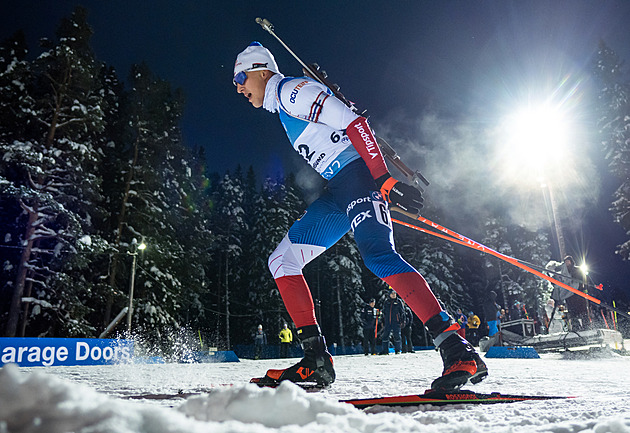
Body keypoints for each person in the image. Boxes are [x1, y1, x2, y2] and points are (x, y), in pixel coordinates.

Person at [233, 42, 487, 390]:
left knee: (378, 256)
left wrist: (383, 178)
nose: (238, 87)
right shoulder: (284, 104)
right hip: (338, 191)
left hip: (358, 178)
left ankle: (457, 349)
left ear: (262, 69)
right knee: (283, 261)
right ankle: (315, 360)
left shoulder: (290, 91)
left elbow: (355, 123)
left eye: (241, 77)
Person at [546, 255, 591, 330]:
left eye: (568, 261)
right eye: (565, 262)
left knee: (583, 311)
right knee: (572, 312)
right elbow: (557, 282)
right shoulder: (562, 273)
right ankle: (576, 327)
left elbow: (585, 280)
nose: (567, 263)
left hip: (579, 294)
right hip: (569, 296)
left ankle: (586, 326)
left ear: (571, 262)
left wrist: (585, 290)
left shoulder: (577, 270)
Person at [380, 289, 405, 354]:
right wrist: (382, 320)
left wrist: (402, 321)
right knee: (385, 336)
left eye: (394, 293)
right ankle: (385, 350)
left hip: (396, 322)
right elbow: (383, 312)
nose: (393, 295)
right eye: (392, 294)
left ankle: (398, 350)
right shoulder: (386, 302)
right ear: (389, 294)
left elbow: (402, 312)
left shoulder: (399, 301)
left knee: (397, 336)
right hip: (388, 322)